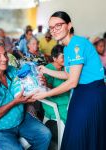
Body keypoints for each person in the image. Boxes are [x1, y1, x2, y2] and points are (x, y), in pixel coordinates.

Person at [33, 11, 106, 150]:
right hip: (81, 92)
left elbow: (72, 81)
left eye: (58, 25)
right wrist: (46, 70)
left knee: (80, 134)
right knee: (77, 133)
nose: (54, 30)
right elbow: (68, 75)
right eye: (51, 27)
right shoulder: (67, 48)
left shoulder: (77, 44)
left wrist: (45, 94)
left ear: (69, 25)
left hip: (91, 94)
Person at [0, 42, 51, 150]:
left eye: (5, 54)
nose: (4, 59)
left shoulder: (12, 70)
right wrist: (14, 102)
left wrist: (40, 82)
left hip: (20, 119)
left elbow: (26, 87)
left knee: (45, 135)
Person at [43, 45, 70, 124]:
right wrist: (45, 84)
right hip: (55, 102)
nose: (66, 59)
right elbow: (48, 90)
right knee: (74, 116)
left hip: (66, 99)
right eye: (63, 57)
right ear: (54, 58)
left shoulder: (64, 68)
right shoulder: (48, 69)